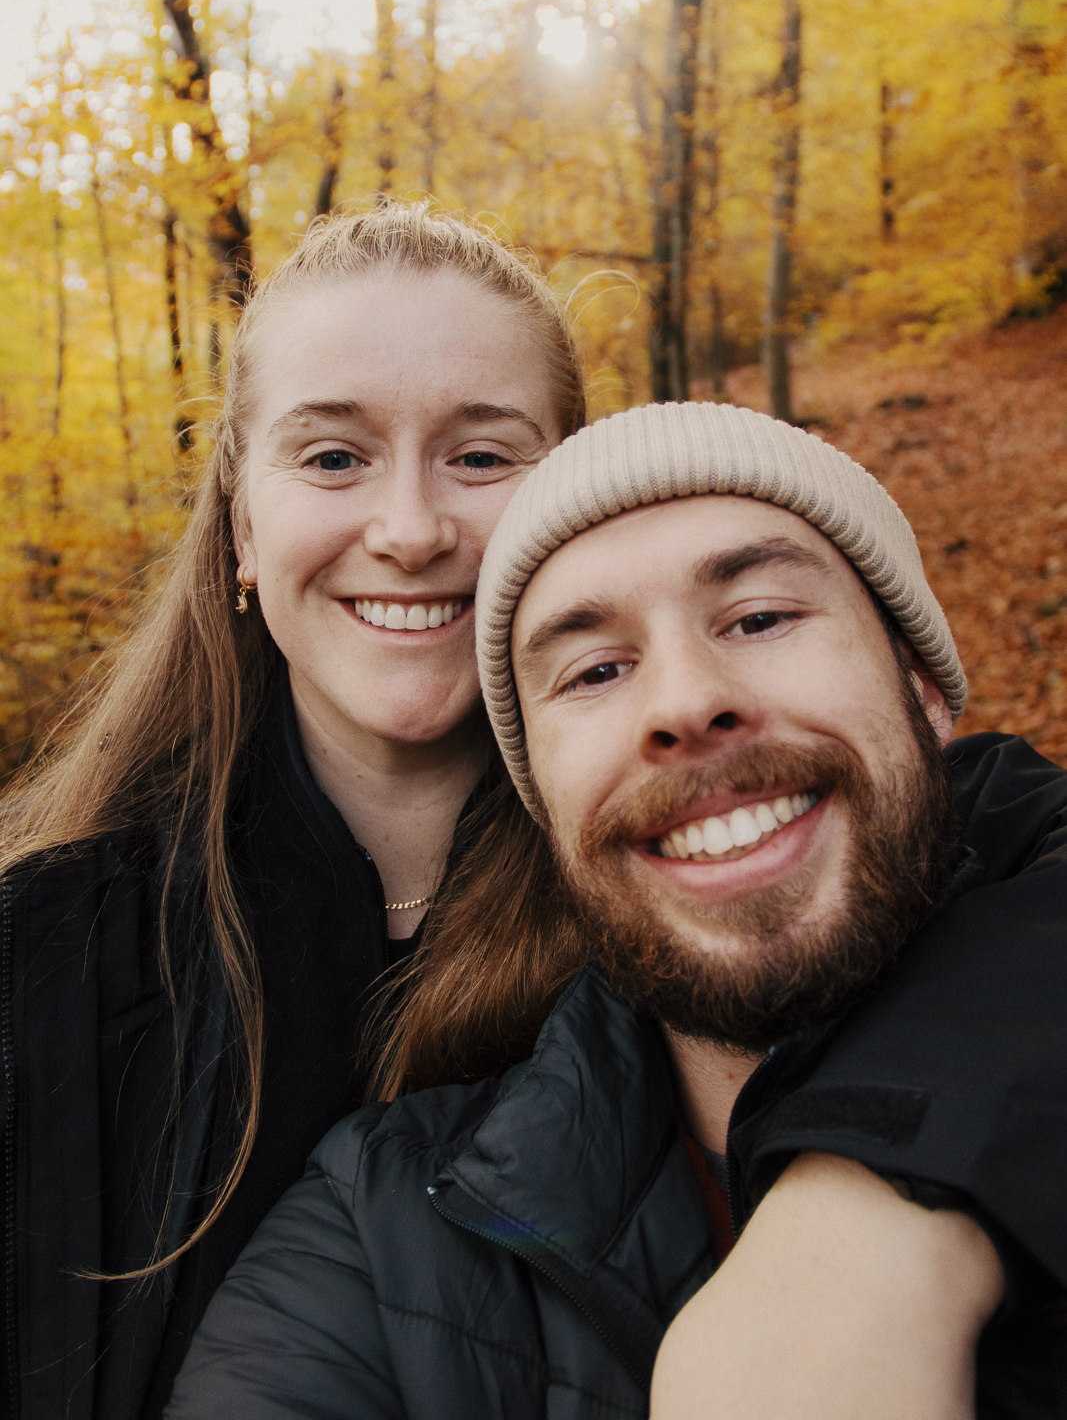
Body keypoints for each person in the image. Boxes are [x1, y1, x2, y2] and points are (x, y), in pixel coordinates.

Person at [165, 401, 1067, 1420]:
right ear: (540, 803)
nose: (684, 702)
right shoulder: (370, 1244)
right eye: (593, 671)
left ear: (919, 686)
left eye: (760, 616)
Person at [0, 201, 584, 1419]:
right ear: (240, 530)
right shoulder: (36, 959)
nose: (412, 528)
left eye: (480, 456)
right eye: (332, 456)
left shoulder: (703, 906)